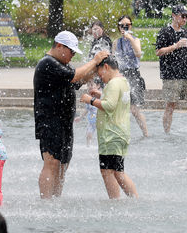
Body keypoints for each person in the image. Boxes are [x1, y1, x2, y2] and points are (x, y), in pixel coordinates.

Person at [33, 31, 109, 198]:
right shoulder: (47, 63)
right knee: (51, 162)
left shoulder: (62, 65)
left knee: (63, 164)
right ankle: (46, 202)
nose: (73, 56)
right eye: (71, 51)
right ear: (59, 46)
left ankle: (56, 199)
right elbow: (74, 76)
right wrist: (94, 60)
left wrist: (97, 68)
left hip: (64, 122)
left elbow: (77, 80)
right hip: (49, 121)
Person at [80, 55, 139, 199]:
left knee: (108, 171)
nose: (100, 77)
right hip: (119, 133)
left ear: (106, 67)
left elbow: (110, 106)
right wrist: (102, 94)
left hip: (111, 135)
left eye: (100, 73)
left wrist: (91, 100)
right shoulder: (122, 81)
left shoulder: (113, 84)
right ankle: (134, 199)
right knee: (118, 171)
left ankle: (115, 202)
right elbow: (118, 101)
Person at [155, 5, 187, 135]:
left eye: (186, 16)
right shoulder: (165, 32)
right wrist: (175, 46)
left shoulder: (186, 32)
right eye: (182, 16)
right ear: (174, 15)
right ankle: (166, 134)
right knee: (171, 105)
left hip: (186, 74)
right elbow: (158, 52)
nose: (185, 19)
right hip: (171, 75)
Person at [114, 15, 148, 137]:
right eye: (122, 25)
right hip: (121, 75)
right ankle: (120, 134)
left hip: (133, 74)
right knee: (118, 108)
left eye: (127, 25)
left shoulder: (136, 39)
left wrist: (130, 38)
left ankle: (146, 134)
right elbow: (114, 62)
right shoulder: (116, 42)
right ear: (118, 27)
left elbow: (138, 54)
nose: (125, 27)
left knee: (134, 109)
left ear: (131, 26)